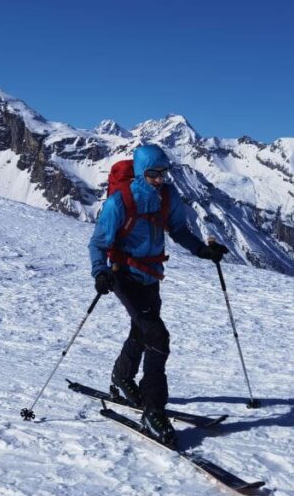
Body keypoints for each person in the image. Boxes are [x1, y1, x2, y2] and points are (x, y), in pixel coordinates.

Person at [88, 144, 228, 449]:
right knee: (157, 336)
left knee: (142, 331)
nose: (159, 179)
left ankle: (121, 378)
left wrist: (203, 250)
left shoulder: (167, 197)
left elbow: (178, 229)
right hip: (123, 274)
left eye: (163, 173)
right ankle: (153, 411)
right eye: (153, 173)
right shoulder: (119, 203)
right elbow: (97, 244)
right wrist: (100, 272)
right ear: (141, 173)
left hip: (151, 276)